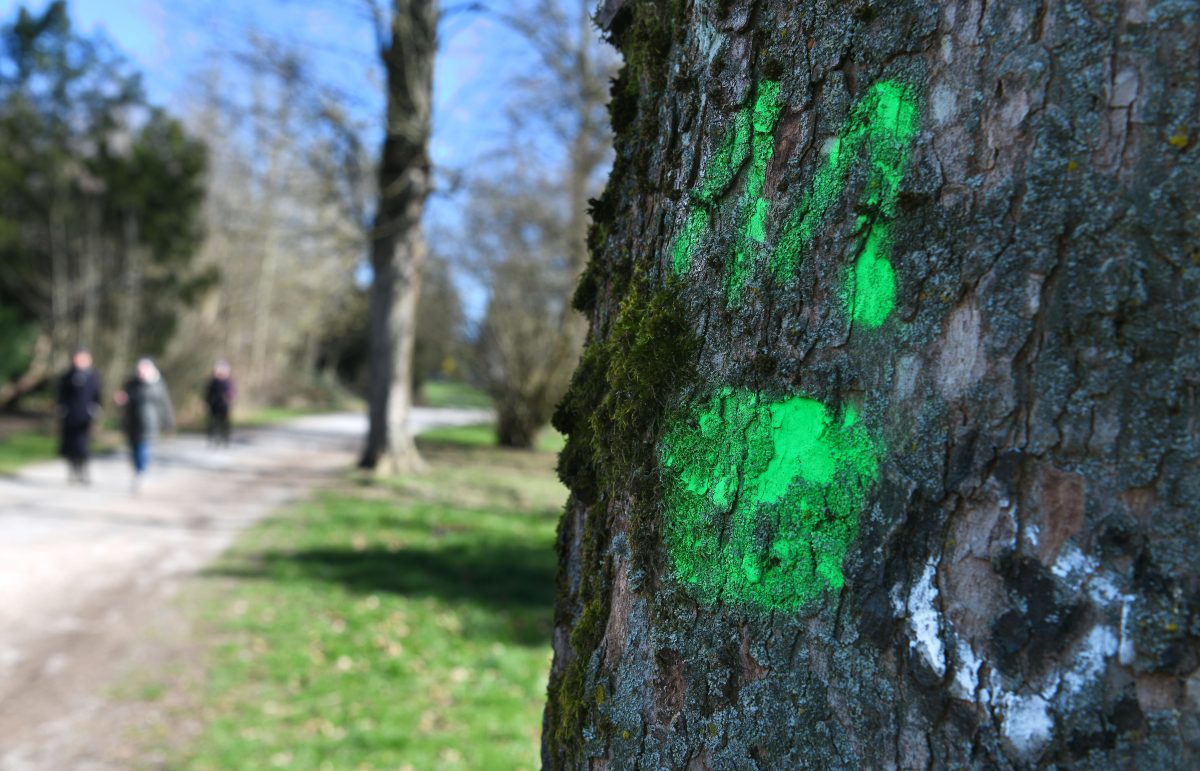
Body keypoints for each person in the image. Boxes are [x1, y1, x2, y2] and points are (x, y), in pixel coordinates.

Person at [114, 358, 174, 492]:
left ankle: (141, 472)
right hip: (132, 421)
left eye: (144, 370)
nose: (141, 373)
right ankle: (138, 471)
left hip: (150, 422)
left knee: (143, 448)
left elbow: (164, 403)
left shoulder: (158, 384)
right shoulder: (131, 383)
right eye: (139, 370)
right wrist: (121, 400)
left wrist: (168, 421)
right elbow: (124, 398)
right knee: (133, 449)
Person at [56, 347, 102, 485]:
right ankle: (72, 471)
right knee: (70, 445)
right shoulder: (67, 376)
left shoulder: (93, 376)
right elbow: (61, 395)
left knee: (83, 446)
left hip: (85, 417)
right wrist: (61, 407)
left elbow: (98, 395)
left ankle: (83, 471)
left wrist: (97, 408)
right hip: (69, 415)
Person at [204, 360, 235, 447]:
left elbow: (232, 392)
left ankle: (225, 439)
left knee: (224, 423)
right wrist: (206, 402)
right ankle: (212, 439)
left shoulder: (228, 382)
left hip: (224, 405)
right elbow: (208, 393)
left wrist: (228, 397)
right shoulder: (213, 382)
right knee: (213, 423)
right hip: (214, 405)